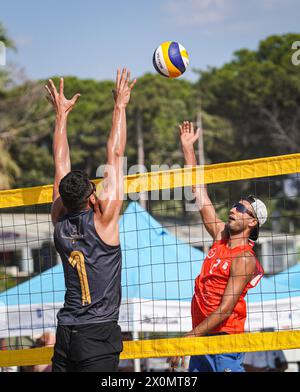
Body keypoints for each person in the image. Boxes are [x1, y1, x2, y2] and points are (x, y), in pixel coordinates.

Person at [45, 68, 136, 372]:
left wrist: (61, 116)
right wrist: (120, 105)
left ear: (64, 198)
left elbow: (60, 162)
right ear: (93, 198)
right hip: (97, 335)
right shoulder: (104, 219)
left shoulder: (58, 221)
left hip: (66, 332)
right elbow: (116, 152)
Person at [168, 121, 267, 372]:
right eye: (235, 205)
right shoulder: (219, 236)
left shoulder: (244, 259)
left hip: (223, 340)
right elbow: (199, 193)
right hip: (203, 338)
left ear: (252, 222)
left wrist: (189, 337)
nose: (234, 209)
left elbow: (224, 311)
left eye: (242, 209)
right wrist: (188, 149)